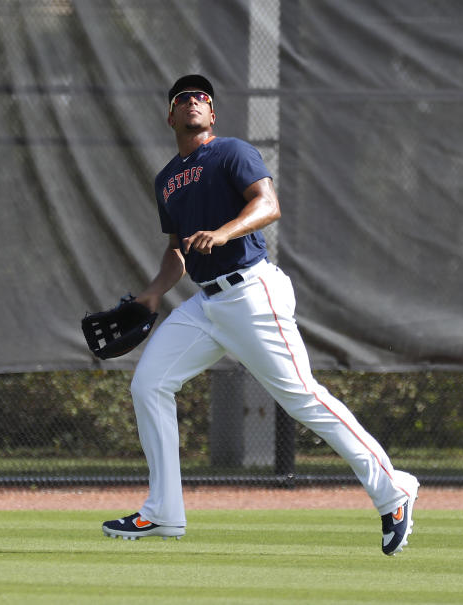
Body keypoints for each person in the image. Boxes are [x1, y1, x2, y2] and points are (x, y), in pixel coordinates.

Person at [101, 75, 420, 556]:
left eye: (203, 98)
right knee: (149, 385)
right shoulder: (166, 179)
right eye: (183, 98)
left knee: (303, 398)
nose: (194, 101)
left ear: (212, 115)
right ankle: (164, 511)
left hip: (251, 291)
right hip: (206, 304)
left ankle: (393, 490)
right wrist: (150, 296)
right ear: (170, 116)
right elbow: (176, 251)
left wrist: (225, 232)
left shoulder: (231, 152)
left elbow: (267, 204)